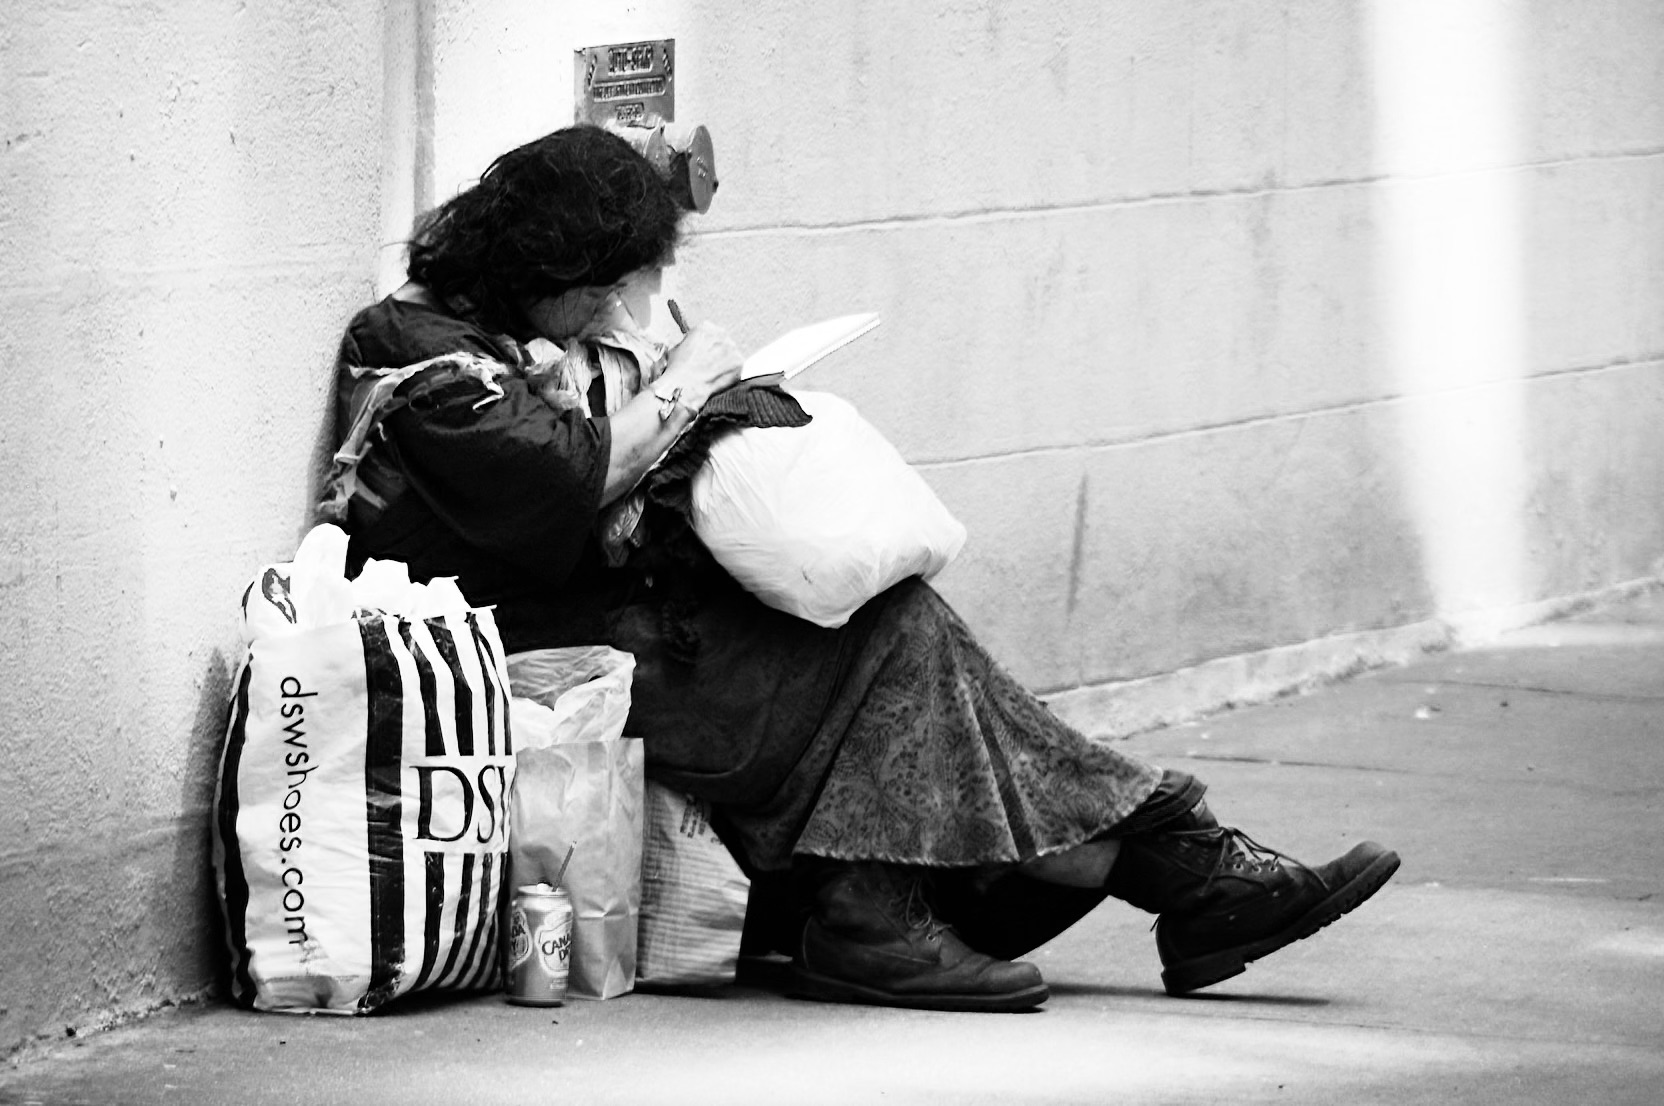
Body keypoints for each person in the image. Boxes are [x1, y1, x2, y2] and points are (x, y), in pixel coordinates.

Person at [327, 124, 1399, 1012]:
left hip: (626, 614)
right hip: (542, 660)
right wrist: (683, 388)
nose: (617, 308)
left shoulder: (525, 329)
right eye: (605, 286)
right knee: (888, 638)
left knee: (891, 615)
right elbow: (555, 481)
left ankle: (1009, 883)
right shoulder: (413, 344)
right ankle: (1129, 858)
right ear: (544, 266)